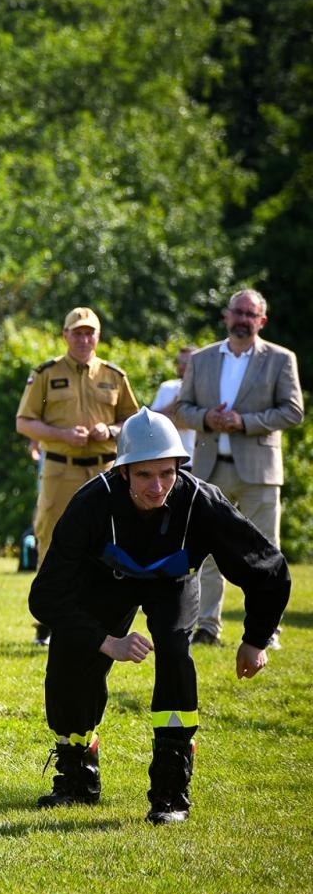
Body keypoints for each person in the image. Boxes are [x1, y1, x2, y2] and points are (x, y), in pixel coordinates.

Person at [30, 408, 288, 824]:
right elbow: (45, 597)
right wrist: (105, 640)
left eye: (167, 474)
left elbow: (269, 569)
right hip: (105, 583)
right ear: (123, 473)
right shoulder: (91, 505)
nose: (157, 487)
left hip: (173, 583)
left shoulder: (202, 503)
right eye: (145, 476)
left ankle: (170, 791)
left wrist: (256, 638)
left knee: (174, 655)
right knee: (69, 662)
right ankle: (77, 774)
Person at [175, 289, 303, 649]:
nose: (243, 319)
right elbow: (182, 409)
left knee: (266, 553)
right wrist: (209, 418)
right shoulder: (200, 359)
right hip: (208, 470)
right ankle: (206, 627)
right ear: (226, 316)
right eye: (238, 312)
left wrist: (243, 422)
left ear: (262, 321)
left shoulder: (281, 359)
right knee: (206, 552)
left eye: (251, 314)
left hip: (259, 470)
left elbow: (293, 411)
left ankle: (267, 632)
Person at [15, 306, 140, 644]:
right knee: (51, 538)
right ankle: (48, 619)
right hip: (61, 468)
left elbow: (134, 420)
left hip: (106, 470)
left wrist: (110, 431)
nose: (84, 339)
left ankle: (104, 615)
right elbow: (24, 421)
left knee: (109, 541)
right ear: (65, 336)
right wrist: (62, 435)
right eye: (77, 332)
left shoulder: (114, 375)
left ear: (98, 337)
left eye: (90, 333)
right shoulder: (45, 373)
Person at [149, 345, 198, 461]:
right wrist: (173, 405)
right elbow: (151, 422)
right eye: (179, 362)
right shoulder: (167, 387)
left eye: (186, 362)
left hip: (193, 460)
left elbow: (187, 423)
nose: (181, 366)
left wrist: (164, 416)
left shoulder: (204, 390)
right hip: (165, 458)